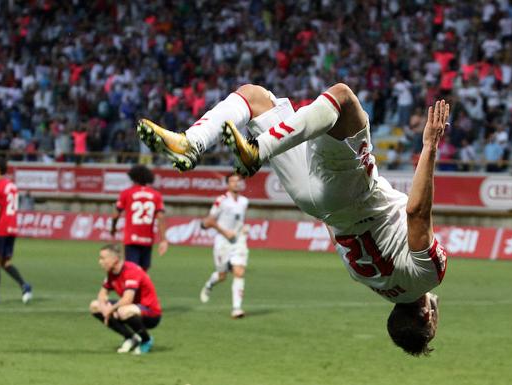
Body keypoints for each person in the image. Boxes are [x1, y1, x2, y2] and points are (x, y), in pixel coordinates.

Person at [137, 82, 450, 356]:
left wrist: (430, 145)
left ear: (426, 317)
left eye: (435, 321)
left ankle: (247, 150)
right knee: (256, 99)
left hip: (352, 194)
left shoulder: (429, 276)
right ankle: (191, 143)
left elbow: (417, 213)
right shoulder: (371, 281)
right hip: (316, 204)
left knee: (342, 98)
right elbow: (338, 235)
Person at [89, 244, 161, 354]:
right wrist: (104, 308)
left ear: (115, 259)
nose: (100, 262)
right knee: (95, 306)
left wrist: (111, 309)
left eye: (103, 258)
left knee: (123, 311)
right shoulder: (111, 273)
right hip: (131, 308)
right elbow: (102, 295)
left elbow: (127, 299)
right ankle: (131, 337)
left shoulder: (131, 270)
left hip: (150, 312)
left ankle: (146, 340)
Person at [0, 157, 32, 306]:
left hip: (1, 229)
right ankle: (24, 286)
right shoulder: (11, 185)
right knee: (5, 261)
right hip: (12, 227)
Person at [199, 173, 250, 319]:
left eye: (238, 181)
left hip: (239, 241)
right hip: (223, 241)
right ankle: (209, 284)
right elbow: (210, 220)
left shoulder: (244, 201)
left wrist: (244, 228)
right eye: (233, 181)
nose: (236, 183)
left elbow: (241, 219)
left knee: (239, 272)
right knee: (222, 276)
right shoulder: (221, 201)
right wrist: (224, 231)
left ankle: (236, 308)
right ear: (227, 184)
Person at [110, 164, 168, 271]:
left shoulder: (126, 193)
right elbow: (161, 217)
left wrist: (113, 228)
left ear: (132, 177)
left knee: (132, 272)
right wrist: (163, 240)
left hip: (131, 239)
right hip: (147, 240)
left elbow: (115, 215)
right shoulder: (156, 195)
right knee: (143, 273)